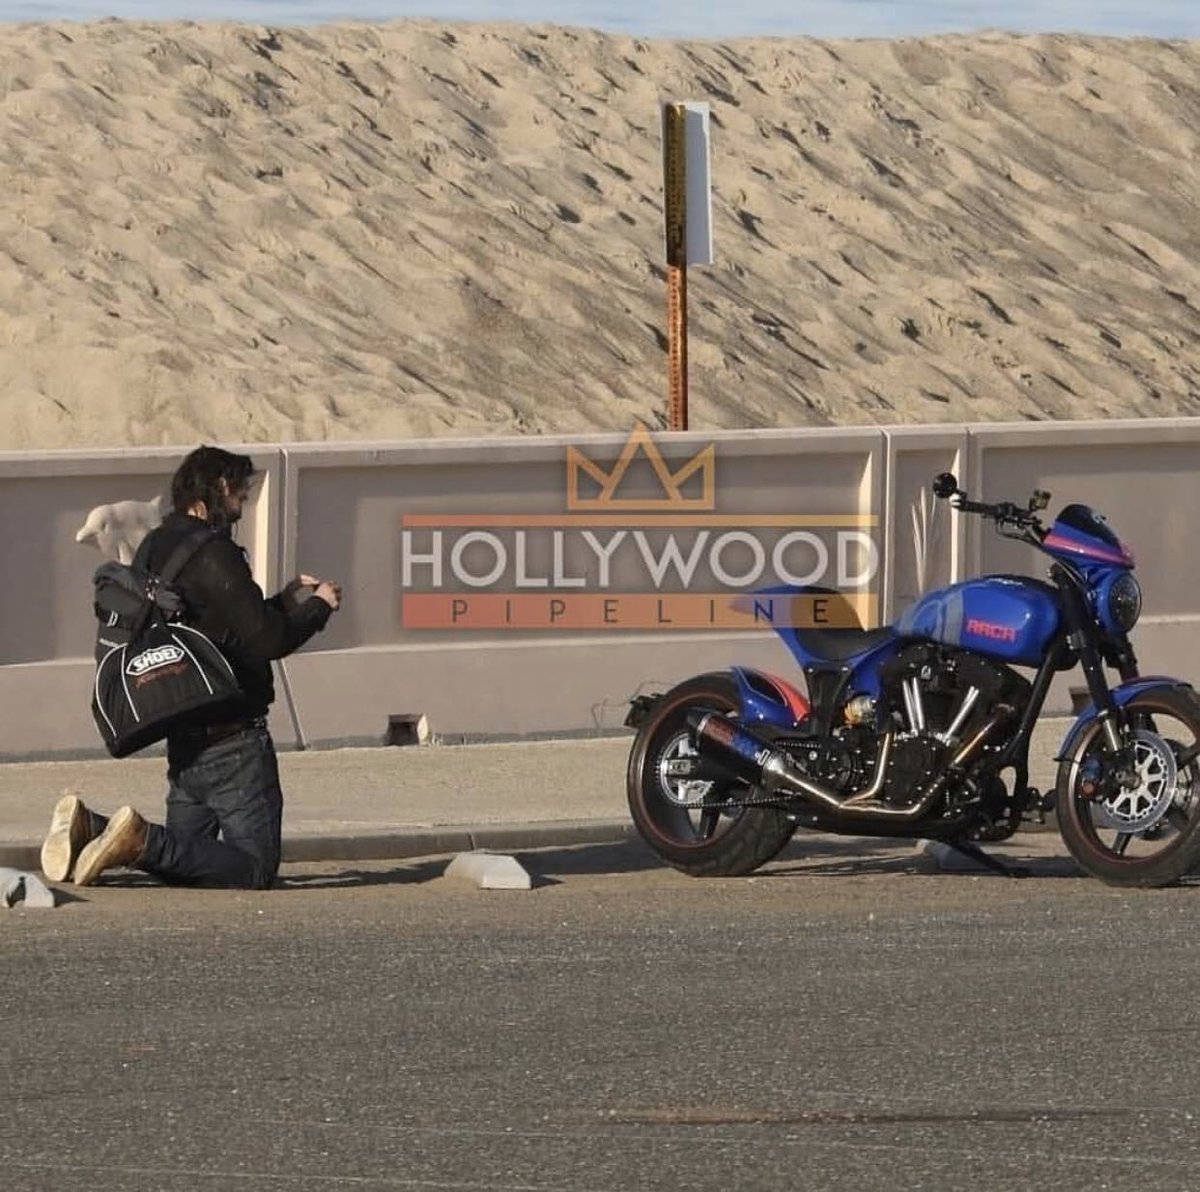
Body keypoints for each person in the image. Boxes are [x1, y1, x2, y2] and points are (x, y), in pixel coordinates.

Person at [40, 445, 342, 890]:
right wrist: (318, 608)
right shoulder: (216, 552)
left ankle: (95, 827)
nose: (241, 505)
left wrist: (283, 600)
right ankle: (139, 842)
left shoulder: (154, 546)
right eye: (240, 493)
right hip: (235, 742)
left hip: (183, 734)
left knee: (187, 862)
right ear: (219, 487)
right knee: (254, 868)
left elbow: (214, 626)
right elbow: (268, 640)